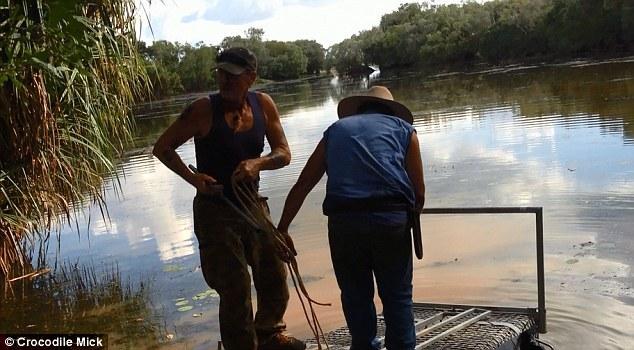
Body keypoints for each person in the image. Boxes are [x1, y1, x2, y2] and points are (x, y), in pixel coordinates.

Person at [153, 47, 305, 350]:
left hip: (252, 204)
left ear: (250, 77)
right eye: (221, 74)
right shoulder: (202, 110)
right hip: (215, 210)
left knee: (275, 272)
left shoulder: (263, 105)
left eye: (232, 76)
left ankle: (270, 335)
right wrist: (194, 179)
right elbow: (163, 148)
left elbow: (284, 153)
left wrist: (257, 163)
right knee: (234, 286)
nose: (224, 80)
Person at [277, 86, 425, 350]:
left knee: (356, 297)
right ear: (391, 111)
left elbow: (303, 184)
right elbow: (419, 193)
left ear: (360, 108)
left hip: (345, 225)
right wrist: (407, 218)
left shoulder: (335, 131)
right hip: (390, 221)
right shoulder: (405, 132)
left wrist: (283, 227)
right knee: (397, 296)